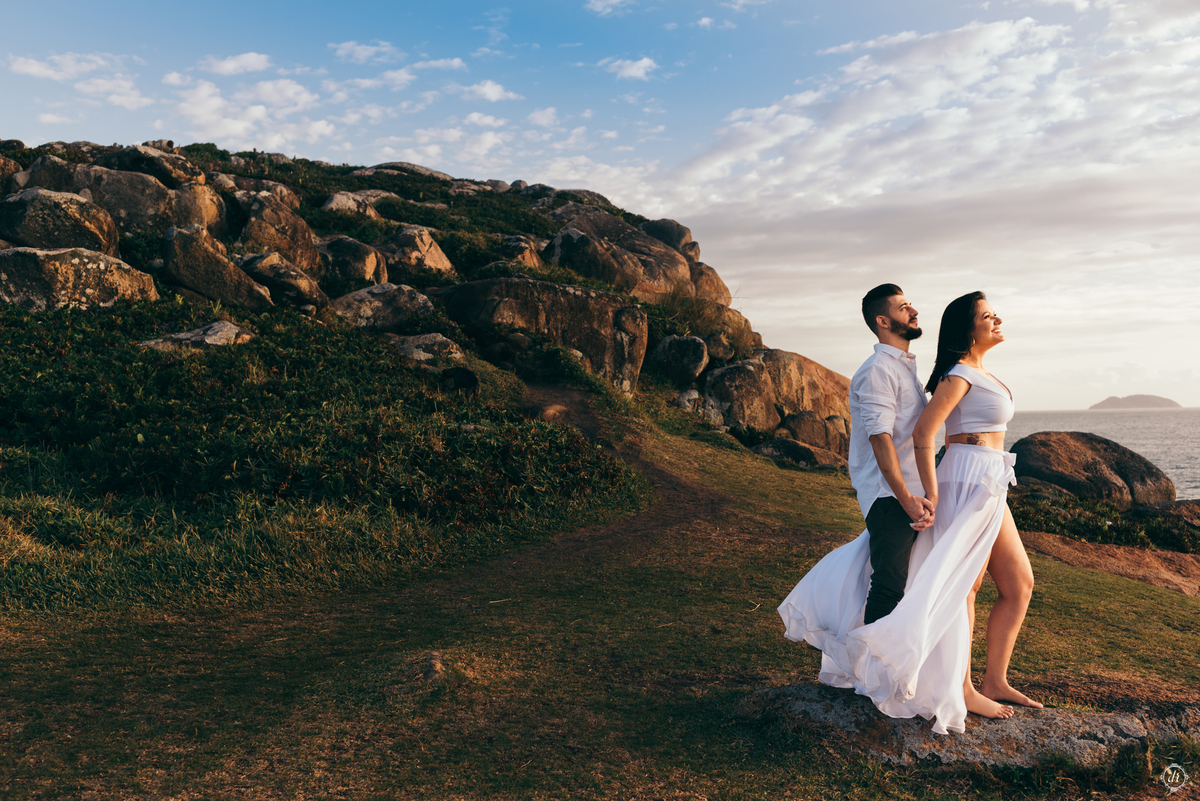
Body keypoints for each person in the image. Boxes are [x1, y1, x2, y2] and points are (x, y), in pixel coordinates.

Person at [778, 290, 1038, 734]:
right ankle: (890, 679)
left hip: (980, 481)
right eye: (988, 316)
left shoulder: (911, 368)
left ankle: (990, 679)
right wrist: (917, 494)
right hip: (922, 489)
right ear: (883, 321)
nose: (914, 311)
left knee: (1007, 582)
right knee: (929, 584)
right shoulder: (892, 370)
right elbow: (901, 437)